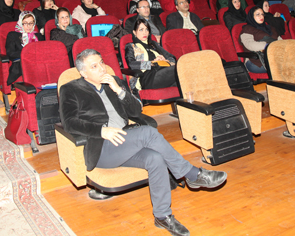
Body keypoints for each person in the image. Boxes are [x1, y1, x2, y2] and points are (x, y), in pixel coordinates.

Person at [59, 48, 227, 235]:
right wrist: (101, 131)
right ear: (83, 73)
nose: (102, 68)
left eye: (102, 62)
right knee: (148, 133)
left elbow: (135, 111)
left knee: (155, 158)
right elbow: (69, 123)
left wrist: (119, 90)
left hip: (125, 140)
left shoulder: (113, 82)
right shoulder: (70, 89)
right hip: (102, 147)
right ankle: (192, 174)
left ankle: (163, 216)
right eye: (94, 66)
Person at [126, 18, 177, 91]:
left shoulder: (154, 44)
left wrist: (165, 61)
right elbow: (132, 64)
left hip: (162, 70)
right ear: (134, 32)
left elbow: (172, 58)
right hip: (147, 77)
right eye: (141, 30)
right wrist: (152, 63)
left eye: (147, 29)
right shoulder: (131, 46)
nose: (144, 33)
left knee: (183, 79)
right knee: (180, 70)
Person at [240, 6, 281, 74]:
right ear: (252, 16)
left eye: (262, 14)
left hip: (274, 57)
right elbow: (250, 44)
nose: (261, 16)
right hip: (256, 61)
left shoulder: (270, 28)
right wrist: (268, 45)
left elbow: (281, 41)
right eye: (257, 14)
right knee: (281, 66)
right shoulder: (247, 29)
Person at [6, 11, 43, 85]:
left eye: (31, 23)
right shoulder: (13, 35)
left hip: (37, 62)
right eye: (25, 23)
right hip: (20, 64)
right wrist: (27, 54)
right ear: (20, 23)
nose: (28, 26)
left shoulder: (38, 36)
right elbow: (11, 53)